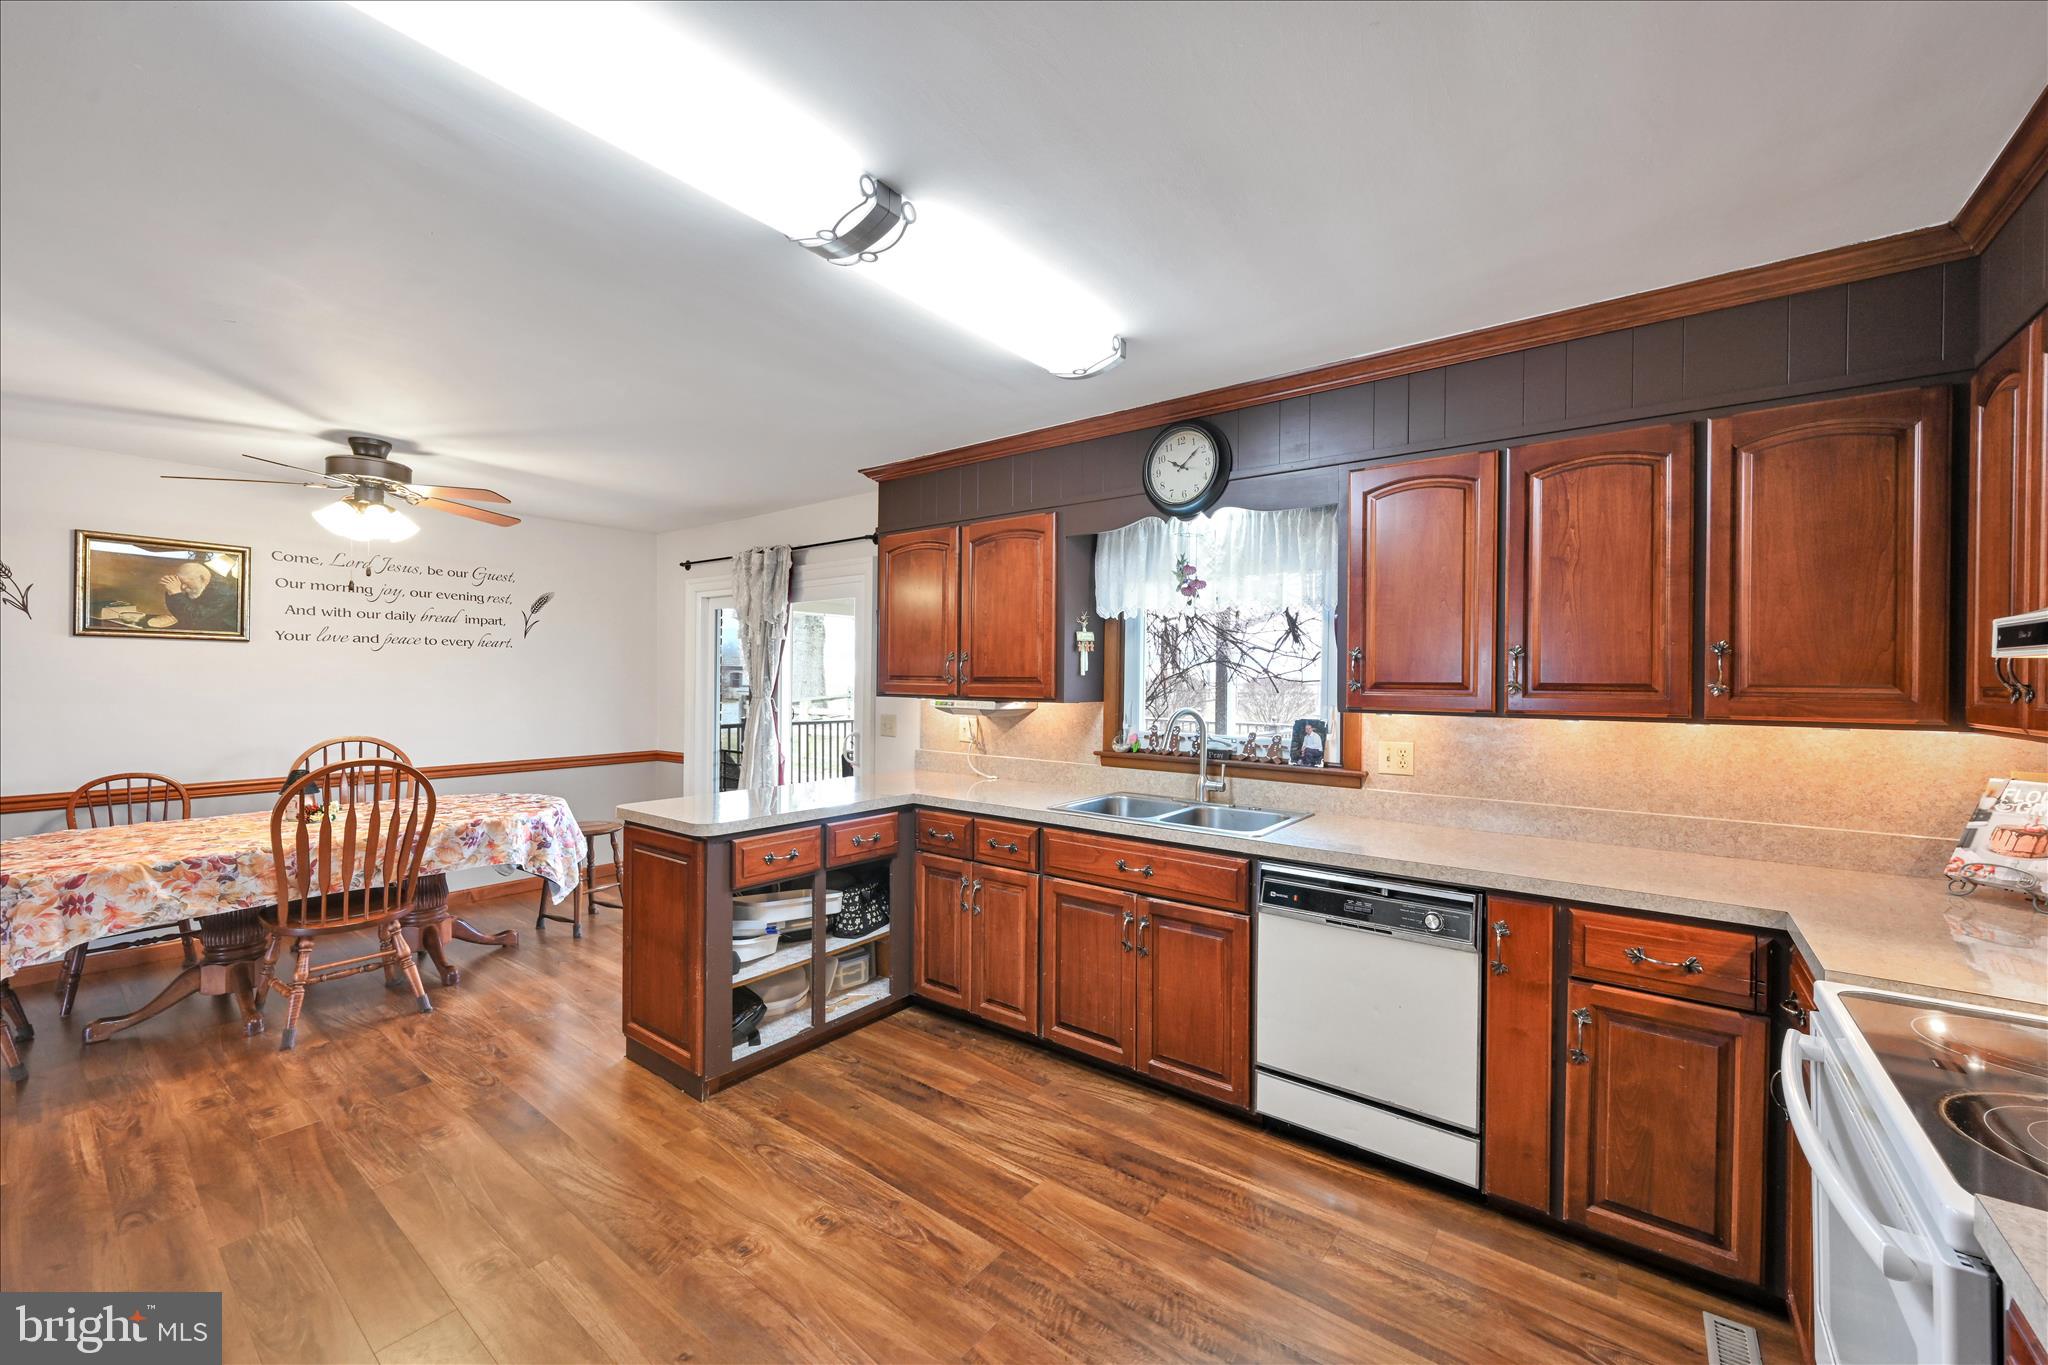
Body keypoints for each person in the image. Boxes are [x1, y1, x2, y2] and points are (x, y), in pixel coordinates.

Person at [152, 562, 238, 632]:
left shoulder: (224, 593)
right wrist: (171, 590)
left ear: (202, 578)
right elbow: (179, 613)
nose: (182, 587)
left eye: (185, 583)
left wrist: (176, 593)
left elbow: (195, 619)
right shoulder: (197, 586)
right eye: (180, 582)